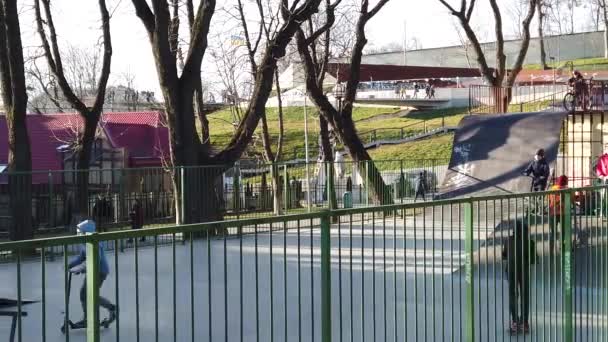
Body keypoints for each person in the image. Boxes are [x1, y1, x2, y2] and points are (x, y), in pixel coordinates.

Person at [68, 219, 116, 329]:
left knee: (88, 294)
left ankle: (104, 311)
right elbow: (81, 257)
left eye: (79, 232)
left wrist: (81, 269)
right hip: (93, 270)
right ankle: (105, 311)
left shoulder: (94, 242)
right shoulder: (84, 242)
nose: (77, 234)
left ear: (86, 232)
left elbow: (96, 260)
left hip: (100, 271)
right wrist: (70, 265)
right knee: (86, 294)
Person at [502, 221, 536, 335]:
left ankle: (515, 323)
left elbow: (504, 255)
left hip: (511, 271)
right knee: (524, 295)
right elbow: (533, 260)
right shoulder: (529, 242)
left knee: (513, 295)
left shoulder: (508, 240)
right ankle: (524, 323)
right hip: (524, 271)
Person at [548, 175, 568, 253]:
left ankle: (551, 249)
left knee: (553, 232)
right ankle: (562, 247)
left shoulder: (552, 188)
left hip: (553, 213)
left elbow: (549, 199)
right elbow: (571, 200)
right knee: (563, 231)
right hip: (563, 213)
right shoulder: (567, 189)